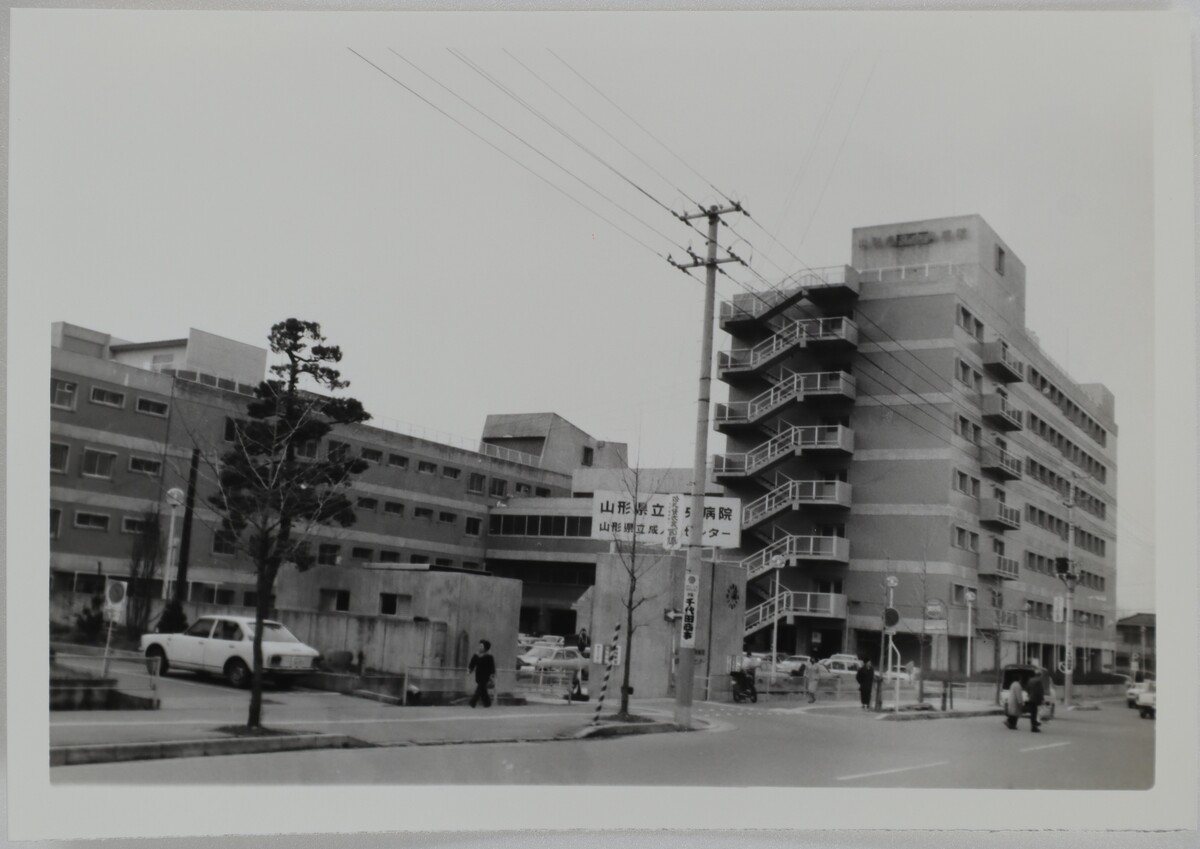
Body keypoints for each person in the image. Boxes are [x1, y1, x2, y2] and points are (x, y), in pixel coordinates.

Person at [467, 639, 496, 708]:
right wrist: (469, 671)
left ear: (485, 648)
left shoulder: (489, 656)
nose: (480, 647)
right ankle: (487, 703)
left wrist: (492, 674)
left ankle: (473, 702)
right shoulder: (476, 655)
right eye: (480, 646)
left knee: (479, 688)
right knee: (483, 690)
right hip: (478, 674)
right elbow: (472, 664)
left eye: (482, 646)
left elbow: (492, 666)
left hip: (486, 675)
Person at [1025, 666, 1046, 732]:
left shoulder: (1030, 680)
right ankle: (1034, 727)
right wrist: (1042, 699)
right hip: (1036, 699)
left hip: (1030, 699)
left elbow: (1027, 689)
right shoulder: (1039, 681)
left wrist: (1029, 695)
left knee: (1032, 714)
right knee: (1035, 713)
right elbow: (1040, 691)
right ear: (1039, 675)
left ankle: (1033, 726)